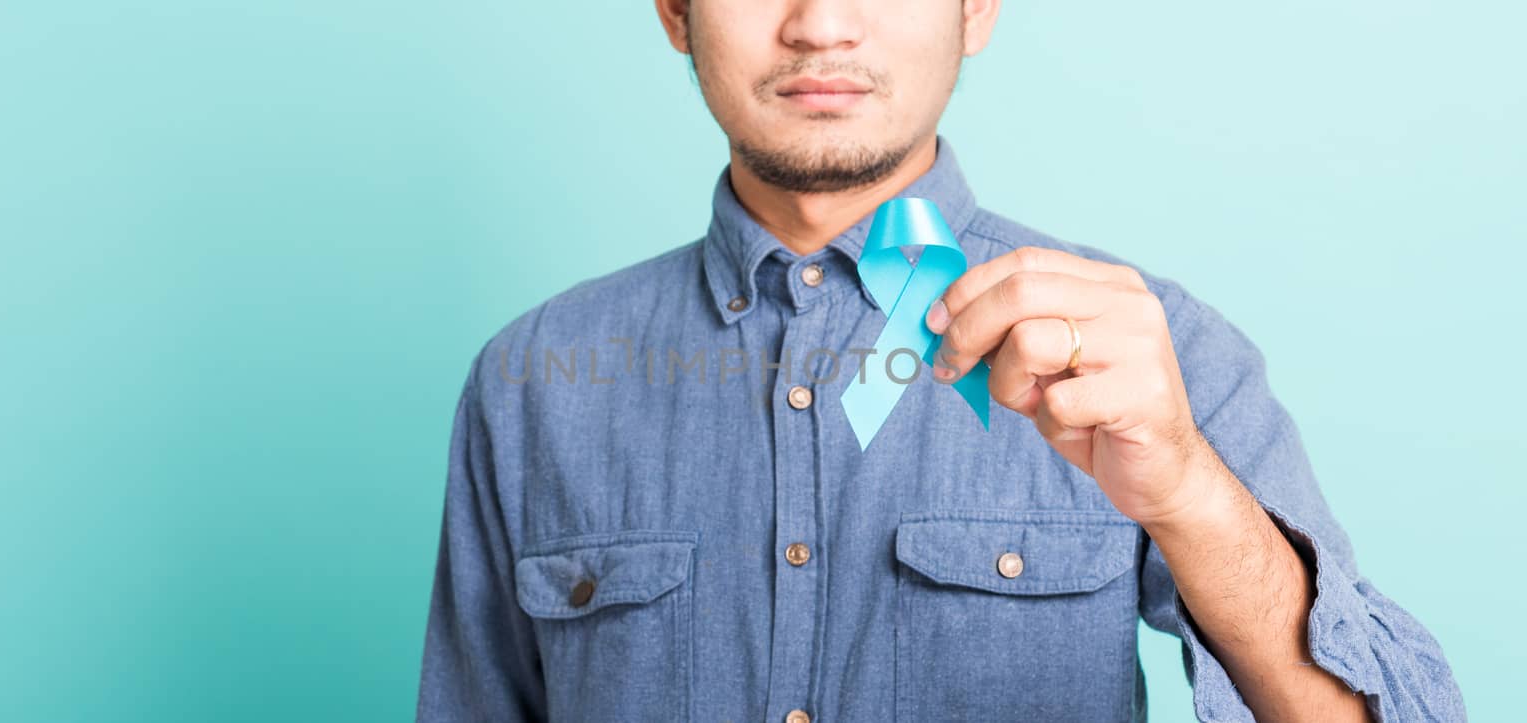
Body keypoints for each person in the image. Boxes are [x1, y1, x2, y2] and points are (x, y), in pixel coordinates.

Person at [416, 1, 1464, 720]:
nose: (819, 25)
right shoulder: (531, 381)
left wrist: (1190, 495)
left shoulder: (1154, 356)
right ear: (672, 8)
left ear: (976, 6)